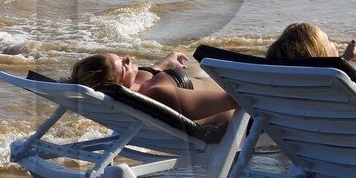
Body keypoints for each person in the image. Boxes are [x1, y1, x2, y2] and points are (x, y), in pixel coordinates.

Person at [69, 50, 238, 127]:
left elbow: (150, 75)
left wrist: (166, 62)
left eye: (121, 57)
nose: (127, 58)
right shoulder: (157, 94)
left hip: (233, 86)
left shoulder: (133, 89)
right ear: (113, 83)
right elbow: (233, 100)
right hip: (246, 109)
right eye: (124, 65)